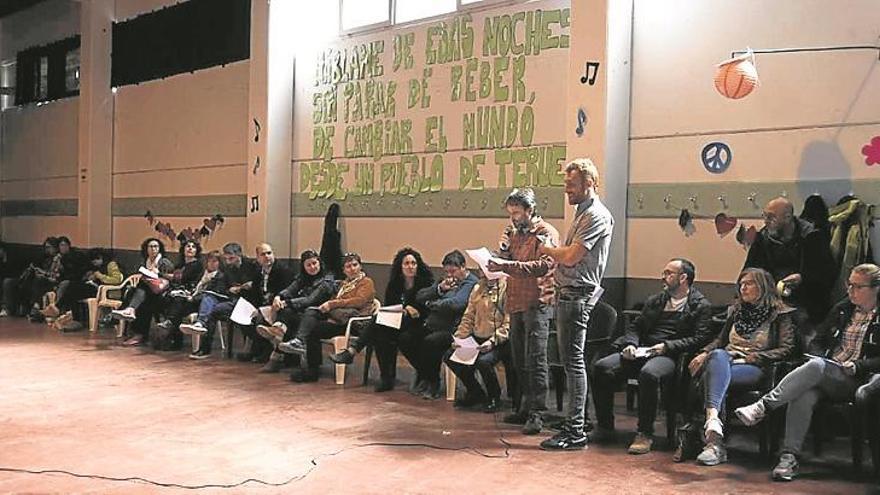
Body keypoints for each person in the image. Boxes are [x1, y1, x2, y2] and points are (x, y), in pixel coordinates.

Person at [735, 263, 880, 481]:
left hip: (861, 379)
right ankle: (789, 457)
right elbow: (817, 340)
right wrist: (820, 355)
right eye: (849, 285)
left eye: (858, 287)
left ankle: (763, 406)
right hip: (831, 371)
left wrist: (859, 366)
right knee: (804, 391)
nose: (850, 291)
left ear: (875, 288)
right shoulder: (843, 308)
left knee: (816, 368)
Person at [592, 258, 713, 454]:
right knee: (602, 367)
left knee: (649, 374)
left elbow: (699, 338)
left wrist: (666, 346)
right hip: (642, 350)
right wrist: (631, 344)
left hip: (669, 355)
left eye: (668, 273)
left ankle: (644, 433)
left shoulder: (700, 305)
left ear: (683, 278)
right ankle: (605, 425)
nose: (663, 277)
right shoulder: (656, 300)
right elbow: (635, 327)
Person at [537, 158, 614, 451]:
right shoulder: (582, 213)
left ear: (589, 183)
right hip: (569, 293)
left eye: (572, 185)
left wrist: (545, 248)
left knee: (573, 363)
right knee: (573, 363)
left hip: (577, 295)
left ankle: (575, 431)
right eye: (566, 184)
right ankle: (577, 419)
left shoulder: (595, 215)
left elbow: (570, 257)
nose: (566, 190)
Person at [687, 268, 796, 466]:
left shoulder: (780, 314)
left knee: (710, 377)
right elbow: (720, 341)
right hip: (725, 361)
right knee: (717, 356)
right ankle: (714, 428)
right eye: (741, 284)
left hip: (754, 366)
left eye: (749, 284)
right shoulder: (736, 311)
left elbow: (786, 349)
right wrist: (704, 353)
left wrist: (756, 357)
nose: (743, 288)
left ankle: (714, 442)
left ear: (763, 287)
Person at [486, 187, 559, 434]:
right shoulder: (514, 234)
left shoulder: (546, 233)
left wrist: (508, 264)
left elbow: (543, 266)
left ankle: (538, 412)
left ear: (530, 210)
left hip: (537, 302)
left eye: (517, 213)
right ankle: (524, 407)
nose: (513, 218)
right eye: (510, 214)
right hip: (515, 301)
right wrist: (501, 253)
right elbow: (505, 260)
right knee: (519, 359)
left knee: (536, 359)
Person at [330, 247, 434, 392]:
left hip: (418, 324)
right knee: (380, 333)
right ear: (400, 266)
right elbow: (391, 307)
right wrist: (403, 310)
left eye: (413, 263)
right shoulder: (394, 284)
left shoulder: (425, 283)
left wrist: (411, 310)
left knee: (381, 322)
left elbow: (425, 309)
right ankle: (386, 378)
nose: (410, 267)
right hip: (398, 321)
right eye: (406, 264)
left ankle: (353, 350)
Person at [279, 252, 376, 383]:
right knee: (312, 323)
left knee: (314, 318)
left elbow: (358, 301)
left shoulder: (366, 282)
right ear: (344, 270)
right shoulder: (343, 284)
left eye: (355, 265)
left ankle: (299, 342)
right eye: (348, 266)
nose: (352, 269)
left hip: (353, 322)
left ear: (360, 266)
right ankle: (310, 364)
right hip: (338, 319)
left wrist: (332, 304)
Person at [743, 196, 836, 324]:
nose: (766, 221)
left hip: (806, 301)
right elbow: (749, 270)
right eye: (764, 216)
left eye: (771, 217)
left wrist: (803, 277)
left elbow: (828, 273)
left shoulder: (812, 236)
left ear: (787, 217)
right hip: (771, 298)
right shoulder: (763, 237)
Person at [401, 250, 477, 399]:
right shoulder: (445, 281)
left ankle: (433, 381)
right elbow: (421, 296)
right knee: (405, 339)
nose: (450, 276)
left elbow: (457, 304)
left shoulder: (470, 283)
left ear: (463, 267)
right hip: (433, 324)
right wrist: (440, 289)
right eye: (446, 272)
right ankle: (425, 374)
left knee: (431, 343)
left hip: (453, 329)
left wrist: (433, 303)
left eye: (453, 271)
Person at [256, 249, 335, 373]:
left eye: (314, 263)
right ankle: (279, 331)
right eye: (308, 265)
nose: (312, 267)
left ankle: (276, 355)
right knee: (284, 313)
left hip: (319, 314)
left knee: (287, 314)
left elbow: (311, 299)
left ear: (320, 263)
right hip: (304, 312)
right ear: (303, 267)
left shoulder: (327, 280)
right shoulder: (303, 277)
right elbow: (291, 289)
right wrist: (278, 297)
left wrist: (287, 302)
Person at [445, 275, 509, 412]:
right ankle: (475, 392)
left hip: (498, 339)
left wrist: (492, 341)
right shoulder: (478, 288)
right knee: (450, 356)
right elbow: (469, 316)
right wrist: (459, 338)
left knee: (484, 362)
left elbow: (508, 323)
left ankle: (494, 396)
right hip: (478, 336)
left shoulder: (506, 288)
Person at [184, 242, 259, 360]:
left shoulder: (252, 266)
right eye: (226, 258)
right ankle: (204, 346)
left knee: (217, 309)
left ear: (239, 255)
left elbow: (255, 285)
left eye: (231, 258)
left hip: (249, 300)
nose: (228, 261)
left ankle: (203, 332)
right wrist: (230, 289)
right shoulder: (228, 268)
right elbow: (224, 286)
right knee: (212, 306)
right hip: (233, 298)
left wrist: (244, 287)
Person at [111, 237, 175, 346]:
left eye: (156, 246)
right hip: (149, 294)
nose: (153, 249)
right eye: (151, 246)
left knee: (140, 291)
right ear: (146, 249)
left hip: (162, 294)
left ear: (160, 249)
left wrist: (156, 274)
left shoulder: (164, 262)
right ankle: (131, 317)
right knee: (134, 292)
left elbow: (169, 280)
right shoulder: (145, 261)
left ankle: (129, 314)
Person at [235, 243, 294, 362]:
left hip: (278, 305)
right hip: (262, 304)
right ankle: (257, 349)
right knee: (241, 316)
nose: (267, 256)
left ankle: (265, 352)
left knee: (259, 317)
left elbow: (284, 292)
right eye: (263, 254)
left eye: (269, 253)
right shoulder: (258, 272)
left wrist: (260, 309)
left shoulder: (283, 270)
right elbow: (256, 292)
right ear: (257, 258)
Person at [53, 248, 123, 332]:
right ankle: (73, 318)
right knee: (73, 287)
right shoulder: (96, 267)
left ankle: (59, 308)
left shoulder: (111, 264)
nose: (94, 264)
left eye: (95, 261)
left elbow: (116, 280)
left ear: (100, 258)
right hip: (95, 287)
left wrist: (99, 275)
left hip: (105, 291)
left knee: (74, 289)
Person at [153, 240, 204, 349]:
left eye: (193, 247)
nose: (190, 248)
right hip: (176, 294)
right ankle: (169, 336)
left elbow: (180, 278)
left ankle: (171, 332)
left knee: (177, 303)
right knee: (164, 299)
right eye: (187, 246)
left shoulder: (197, 265)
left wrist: (161, 274)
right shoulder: (180, 264)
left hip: (190, 296)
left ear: (196, 250)